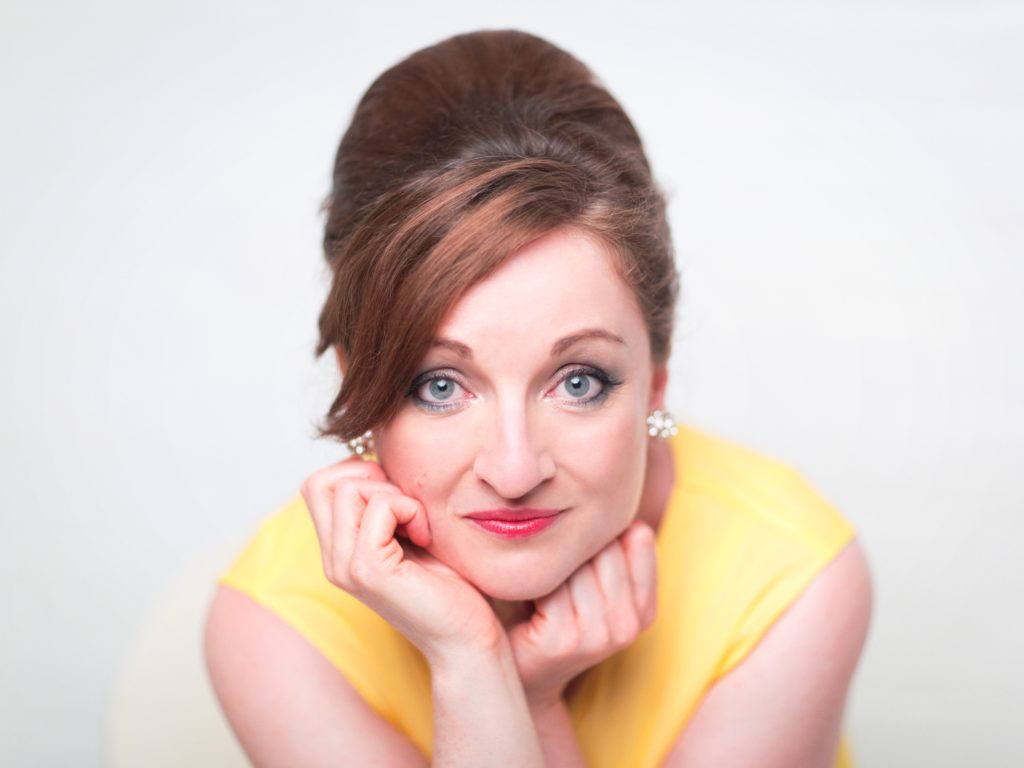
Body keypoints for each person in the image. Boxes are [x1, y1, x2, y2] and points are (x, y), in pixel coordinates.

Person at [204, 29, 873, 767]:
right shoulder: (274, 632)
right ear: (356, 378)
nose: (515, 471)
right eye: (439, 386)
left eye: (578, 382)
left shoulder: (791, 579)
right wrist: (472, 660)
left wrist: (532, 703)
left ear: (656, 376)